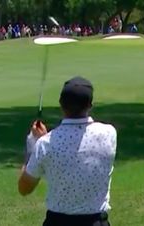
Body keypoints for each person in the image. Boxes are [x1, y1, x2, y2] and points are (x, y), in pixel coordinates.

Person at [18, 76, 117, 226]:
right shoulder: (109, 133)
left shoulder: (45, 145)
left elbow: (24, 188)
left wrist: (33, 146)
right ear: (90, 105)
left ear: (61, 105)